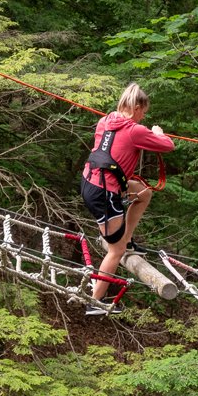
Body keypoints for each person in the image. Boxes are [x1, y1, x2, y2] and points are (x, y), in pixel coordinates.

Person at [80, 83, 174, 315]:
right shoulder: (136, 130)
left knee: (144, 192)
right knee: (116, 251)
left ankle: (127, 239)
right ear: (137, 107)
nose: (144, 116)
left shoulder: (106, 120)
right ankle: (95, 302)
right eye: (143, 111)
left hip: (91, 182)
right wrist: (158, 133)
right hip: (105, 192)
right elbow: (168, 146)